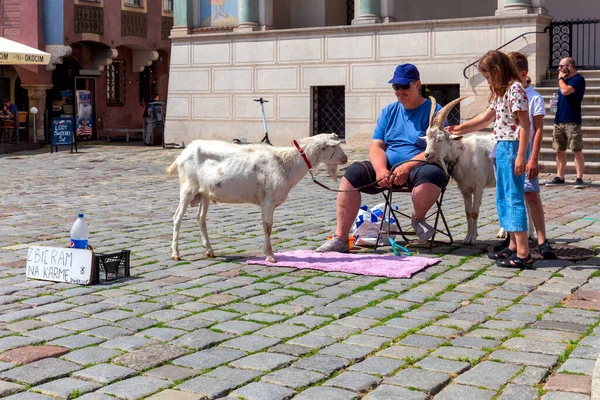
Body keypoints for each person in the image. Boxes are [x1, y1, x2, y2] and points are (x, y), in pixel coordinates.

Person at [316, 63, 447, 253]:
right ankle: (341, 237)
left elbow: (436, 148)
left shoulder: (435, 111)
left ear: (418, 84)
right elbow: (377, 145)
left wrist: (407, 167)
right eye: (396, 87)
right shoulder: (389, 111)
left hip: (422, 163)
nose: (400, 91)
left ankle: (417, 217)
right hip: (388, 166)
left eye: (405, 87)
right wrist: (380, 170)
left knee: (431, 176)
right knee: (352, 174)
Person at [447, 50, 532, 268]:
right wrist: (457, 128)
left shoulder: (515, 90)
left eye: (488, 76)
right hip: (500, 147)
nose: (487, 81)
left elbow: (525, 124)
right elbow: (484, 118)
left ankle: (523, 252)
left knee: (513, 198)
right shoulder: (500, 93)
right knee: (503, 198)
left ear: (497, 70)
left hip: (513, 147)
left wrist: (522, 155)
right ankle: (512, 245)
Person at [506, 51, 556, 259]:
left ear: (522, 73)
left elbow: (538, 130)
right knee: (512, 196)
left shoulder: (534, 97)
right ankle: (512, 241)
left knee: (531, 195)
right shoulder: (508, 94)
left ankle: (542, 239)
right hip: (510, 151)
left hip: (526, 153)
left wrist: (533, 158)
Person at [546, 57, 586, 188]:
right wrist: (554, 103)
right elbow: (562, 95)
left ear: (569, 66)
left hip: (572, 120)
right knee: (559, 150)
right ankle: (560, 176)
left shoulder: (578, 80)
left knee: (576, 149)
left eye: (560, 66)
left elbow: (565, 91)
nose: (558, 69)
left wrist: (560, 79)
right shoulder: (564, 81)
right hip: (559, 119)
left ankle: (579, 178)